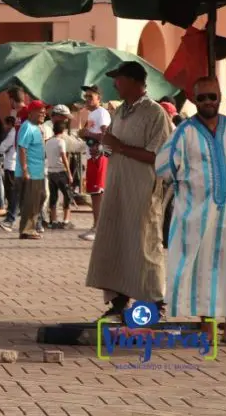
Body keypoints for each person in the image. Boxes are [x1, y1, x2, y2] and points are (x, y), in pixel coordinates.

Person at [155, 76, 226, 347]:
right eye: (201, 97)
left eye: (212, 97)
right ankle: (207, 327)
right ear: (194, 100)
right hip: (197, 216)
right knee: (203, 268)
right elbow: (163, 166)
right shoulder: (184, 132)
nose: (207, 102)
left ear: (219, 97)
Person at [85, 61, 172, 319]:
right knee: (117, 243)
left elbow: (159, 156)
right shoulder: (121, 111)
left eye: (119, 79)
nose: (115, 84)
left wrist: (119, 147)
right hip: (117, 187)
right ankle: (119, 303)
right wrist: (102, 144)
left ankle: (154, 304)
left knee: (144, 246)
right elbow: (112, 146)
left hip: (143, 191)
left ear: (134, 81)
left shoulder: (155, 113)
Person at [78, 85, 112, 242]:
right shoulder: (92, 115)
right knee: (94, 193)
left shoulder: (102, 113)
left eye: (91, 96)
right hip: (92, 156)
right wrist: (84, 134)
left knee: (98, 193)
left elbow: (106, 134)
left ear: (99, 98)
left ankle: (98, 227)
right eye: (86, 96)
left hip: (99, 156)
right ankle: (96, 225)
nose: (87, 99)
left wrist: (89, 134)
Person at [10, 100, 46, 240]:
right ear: (31, 113)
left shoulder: (36, 127)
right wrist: (25, 170)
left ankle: (31, 226)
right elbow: (22, 148)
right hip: (30, 172)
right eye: (40, 111)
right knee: (30, 201)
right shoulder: (27, 127)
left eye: (44, 111)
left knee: (40, 197)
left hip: (38, 172)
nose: (43, 113)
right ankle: (27, 230)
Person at [45, 120, 75, 229]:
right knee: (67, 196)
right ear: (63, 131)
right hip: (61, 172)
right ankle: (66, 221)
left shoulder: (47, 142)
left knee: (53, 197)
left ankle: (53, 221)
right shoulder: (60, 142)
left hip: (51, 172)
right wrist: (69, 173)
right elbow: (64, 158)